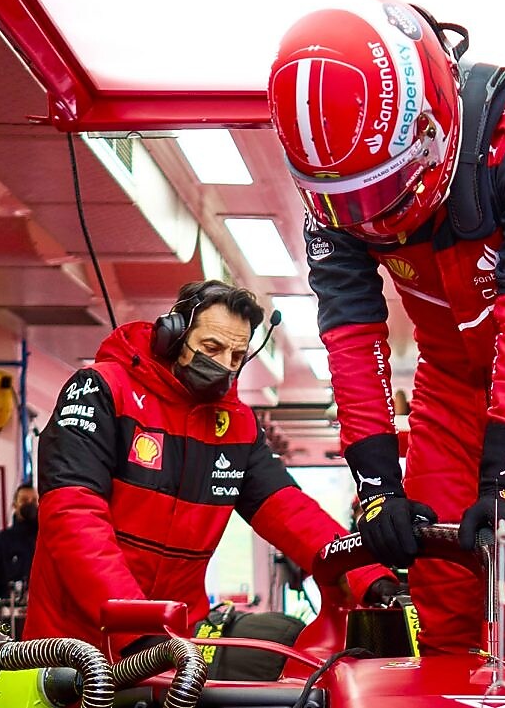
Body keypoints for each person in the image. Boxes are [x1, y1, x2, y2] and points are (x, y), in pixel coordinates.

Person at [267, 0, 505, 656]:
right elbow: (351, 339)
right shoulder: (333, 199)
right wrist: (375, 486)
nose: (367, 216)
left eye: (378, 190)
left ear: (430, 127)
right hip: (444, 383)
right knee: (440, 597)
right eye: (350, 201)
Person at [24, 280, 395, 655]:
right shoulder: (101, 390)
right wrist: (136, 626)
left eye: (236, 356)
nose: (223, 365)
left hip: (171, 645)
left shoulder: (238, 426)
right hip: (72, 645)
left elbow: (291, 513)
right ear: (172, 336)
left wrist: (369, 576)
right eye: (211, 348)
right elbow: (73, 516)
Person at [0, 484, 38, 606]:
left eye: (34, 500)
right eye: (24, 500)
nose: (30, 504)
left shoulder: (47, 541)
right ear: (15, 505)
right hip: (8, 612)